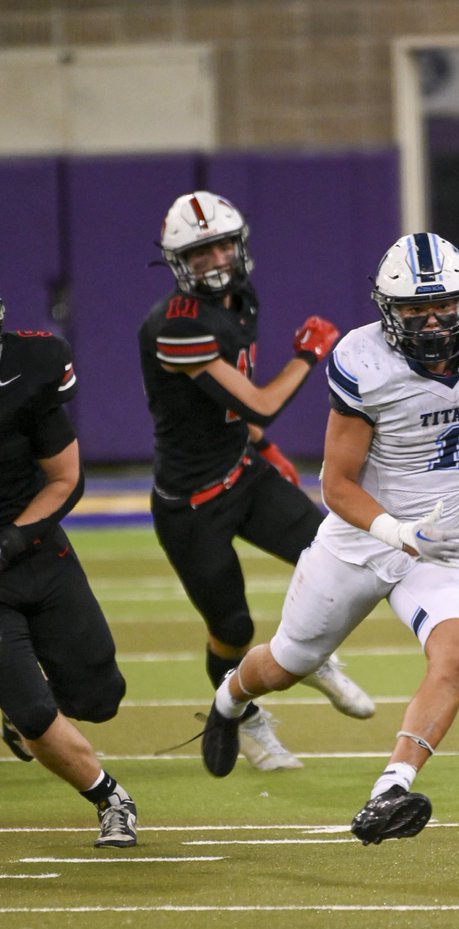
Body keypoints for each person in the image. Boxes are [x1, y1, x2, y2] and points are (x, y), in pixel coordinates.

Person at [200, 232, 459, 844]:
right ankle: (227, 703)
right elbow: (337, 484)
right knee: (288, 662)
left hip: (445, 544)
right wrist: (401, 533)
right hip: (361, 542)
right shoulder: (365, 362)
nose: (431, 322)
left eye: (444, 306)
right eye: (413, 310)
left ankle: (391, 789)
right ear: (387, 311)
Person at [138, 190, 374, 773]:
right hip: (192, 505)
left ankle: (306, 651)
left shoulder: (242, 298)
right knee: (232, 628)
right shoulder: (174, 326)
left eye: (223, 245)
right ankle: (248, 724)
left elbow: (232, 406)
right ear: (177, 262)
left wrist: (261, 446)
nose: (217, 260)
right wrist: (308, 355)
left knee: (331, 557)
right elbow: (262, 401)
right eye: (200, 252)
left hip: (242, 470)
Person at [0, 297, 138, 848]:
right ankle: (110, 799)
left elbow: (66, 478)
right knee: (34, 711)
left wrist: (13, 536)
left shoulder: (27, 369)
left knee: (100, 695)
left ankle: (25, 709)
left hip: (36, 552)